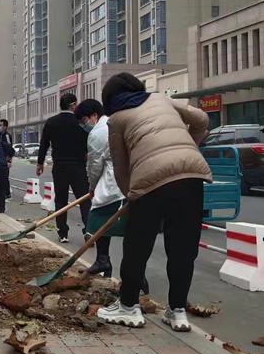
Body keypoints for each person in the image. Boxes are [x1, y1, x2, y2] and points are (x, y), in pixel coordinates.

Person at [96, 73, 211, 332]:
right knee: (183, 247)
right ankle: (177, 311)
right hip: (191, 174)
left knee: (138, 245)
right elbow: (202, 119)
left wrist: (130, 194)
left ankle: (128, 306)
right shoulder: (162, 99)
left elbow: (121, 166)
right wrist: (186, 148)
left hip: (149, 180)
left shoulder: (117, 119)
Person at [75, 99, 150, 295]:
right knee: (130, 230)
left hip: (114, 184)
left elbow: (94, 165)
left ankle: (119, 268)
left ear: (94, 115)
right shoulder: (119, 123)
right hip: (134, 181)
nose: (84, 124)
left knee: (98, 220)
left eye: (85, 120)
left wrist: (91, 187)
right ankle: (110, 264)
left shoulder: (98, 132)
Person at [36, 93, 91, 243]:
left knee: (61, 200)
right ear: (73, 105)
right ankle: (88, 230)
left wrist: (40, 163)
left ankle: (63, 233)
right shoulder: (80, 122)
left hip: (59, 166)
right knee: (84, 199)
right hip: (78, 166)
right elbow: (88, 142)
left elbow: (44, 144)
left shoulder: (51, 122)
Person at [0, 119, 15, 200]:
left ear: (5, 127)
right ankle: (3, 192)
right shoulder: (0, 135)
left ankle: (7, 193)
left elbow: (9, 148)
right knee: (1, 176)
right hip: (0, 158)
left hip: (6, 158)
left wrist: (9, 160)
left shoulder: (7, 136)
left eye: (1, 125)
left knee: (5, 176)